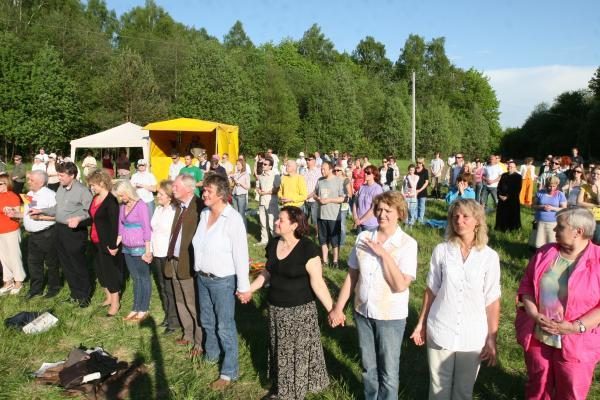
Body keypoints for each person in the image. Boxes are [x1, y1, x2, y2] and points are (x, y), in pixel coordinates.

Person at [329, 191, 418, 400]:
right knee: (369, 368)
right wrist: (338, 308)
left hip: (390, 316)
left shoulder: (407, 243)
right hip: (363, 311)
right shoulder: (363, 237)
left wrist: (383, 254)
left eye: (388, 210)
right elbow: (352, 276)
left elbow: (400, 285)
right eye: (378, 209)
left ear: (400, 214)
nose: (381, 214)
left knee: (388, 371)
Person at [238, 206, 332, 399]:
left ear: (294, 225)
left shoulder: (307, 249)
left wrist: (333, 310)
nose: (276, 222)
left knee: (295, 354)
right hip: (276, 310)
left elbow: (318, 283)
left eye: (281, 220)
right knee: (280, 351)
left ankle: (290, 393)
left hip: (299, 312)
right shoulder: (273, 244)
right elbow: (267, 272)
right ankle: (282, 386)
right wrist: (250, 289)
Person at [411, 199, 501, 399]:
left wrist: (492, 338)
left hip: (473, 334)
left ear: (477, 221)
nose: (459, 220)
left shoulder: (489, 257)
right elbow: (431, 290)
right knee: (437, 390)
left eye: (465, 216)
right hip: (441, 327)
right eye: (455, 216)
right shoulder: (441, 251)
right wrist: (421, 323)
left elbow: (492, 299)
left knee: (463, 391)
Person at [515, 207, 600, 399]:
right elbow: (526, 284)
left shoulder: (598, 259)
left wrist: (574, 327)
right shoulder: (546, 252)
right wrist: (535, 315)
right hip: (539, 335)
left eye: (560, 227)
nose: (554, 231)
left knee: (571, 390)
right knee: (538, 386)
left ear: (578, 231)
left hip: (578, 341)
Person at [192, 173, 250, 390]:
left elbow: (241, 255)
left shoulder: (233, 219)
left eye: (208, 191)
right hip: (203, 278)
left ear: (221, 195)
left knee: (225, 325)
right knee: (207, 321)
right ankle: (212, 355)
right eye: (203, 189)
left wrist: (243, 287)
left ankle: (229, 371)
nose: (203, 193)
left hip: (223, 281)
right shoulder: (204, 213)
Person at [31, 161, 93, 307]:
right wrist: (42, 211)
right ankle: (75, 294)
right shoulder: (61, 188)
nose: (59, 178)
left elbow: (90, 212)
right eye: (58, 175)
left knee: (77, 264)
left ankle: (84, 295)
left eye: (62, 175)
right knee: (66, 264)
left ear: (72, 175)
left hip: (74, 232)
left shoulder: (83, 191)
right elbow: (58, 209)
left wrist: (78, 219)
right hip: (59, 230)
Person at [165, 175, 204, 354]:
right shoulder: (181, 207)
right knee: (179, 300)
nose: (173, 189)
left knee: (192, 303)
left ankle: (199, 341)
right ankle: (187, 334)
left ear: (189, 189)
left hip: (187, 262)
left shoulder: (198, 208)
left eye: (176, 186)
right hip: (174, 259)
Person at [113, 180, 152, 322]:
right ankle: (135, 307)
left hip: (140, 247)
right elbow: (121, 226)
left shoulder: (141, 205)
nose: (121, 198)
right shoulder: (122, 206)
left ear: (128, 192)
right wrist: (115, 245)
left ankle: (144, 308)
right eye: (119, 196)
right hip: (126, 248)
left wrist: (148, 251)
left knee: (143, 278)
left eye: (122, 195)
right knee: (135, 278)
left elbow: (147, 228)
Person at [88, 170, 122, 317]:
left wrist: (113, 245)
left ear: (102, 183)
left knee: (110, 271)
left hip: (107, 242)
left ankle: (115, 302)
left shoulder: (111, 201)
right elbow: (92, 218)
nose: (92, 188)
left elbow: (115, 225)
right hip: (94, 239)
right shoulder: (95, 198)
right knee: (99, 269)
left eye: (93, 185)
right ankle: (108, 296)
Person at [21, 171, 60, 299]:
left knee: (51, 263)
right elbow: (28, 212)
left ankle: (53, 288)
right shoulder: (29, 194)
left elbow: (58, 215)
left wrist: (41, 217)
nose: (28, 182)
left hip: (47, 234)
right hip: (32, 235)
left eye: (31, 180)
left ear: (41, 182)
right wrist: (15, 214)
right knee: (33, 262)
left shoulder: (51, 195)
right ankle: (35, 289)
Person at [150, 180, 181, 335]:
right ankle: (168, 316)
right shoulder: (158, 209)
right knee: (162, 286)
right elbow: (153, 230)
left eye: (161, 194)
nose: (158, 196)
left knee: (170, 288)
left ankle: (174, 320)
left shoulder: (174, 211)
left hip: (167, 254)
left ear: (169, 196)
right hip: (157, 252)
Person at [315, 161, 345, 268]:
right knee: (323, 239)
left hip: (333, 215)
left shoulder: (338, 181)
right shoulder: (320, 181)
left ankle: (335, 261)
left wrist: (329, 200)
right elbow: (315, 194)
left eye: (324, 169)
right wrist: (318, 199)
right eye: (321, 169)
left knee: (334, 240)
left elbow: (342, 198)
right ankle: (325, 260)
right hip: (321, 215)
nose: (322, 171)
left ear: (331, 169)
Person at [0, 173, 26, 295]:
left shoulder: (13, 196)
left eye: (0, 183)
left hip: (11, 230)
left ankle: (19, 281)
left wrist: (11, 210)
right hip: (0, 231)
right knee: (3, 258)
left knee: (14, 256)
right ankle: (7, 280)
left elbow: (18, 214)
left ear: (7, 184)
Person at [533, 176, 567, 248]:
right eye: (549, 186)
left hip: (553, 222)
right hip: (540, 221)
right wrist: (542, 207)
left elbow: (564, 208)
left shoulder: (560, 194)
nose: (551, 188)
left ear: (557, 185)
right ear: (546, 185)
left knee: (551, 241)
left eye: (554, 186)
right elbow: (533, 206)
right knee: (539, 242)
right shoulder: (540, 193)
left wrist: (553, 208)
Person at [256, 157, 280, 246]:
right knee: (262, 222)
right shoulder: (261, 175)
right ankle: (264, 240)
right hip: (261, 201)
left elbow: (277, 188)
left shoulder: (275, 175)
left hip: (271, 201)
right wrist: (259, 191)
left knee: (272, 222)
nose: (263, 165)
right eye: (263, 164)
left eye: (265, 164)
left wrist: (266, 192)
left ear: (270, 167)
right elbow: (257, 186)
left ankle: (275, 241)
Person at [353, 165, 383, 233]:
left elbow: (373, 208)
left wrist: (360, 220)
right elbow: (355, 203)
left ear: (374, 175)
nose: (365, 174)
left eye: (368, 173)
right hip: (359, 223)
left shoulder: (377, 189)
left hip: (371, 225)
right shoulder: (362, 187)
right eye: (365, 172)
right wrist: (355, 218)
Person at [496, 160, 523, 232]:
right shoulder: (504, 175)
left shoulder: (518, 177)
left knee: (512, 215)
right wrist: (500, 195)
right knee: (502, 215)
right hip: (502, 199)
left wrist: (507, 196)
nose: (509, 168)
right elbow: (499, 186)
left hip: (512, 199)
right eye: (508, 166)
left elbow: (517, 189)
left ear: (515, 168)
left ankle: (512, 229)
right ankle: (502, 228)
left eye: (511, 167)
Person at [577, 166, 600, 244]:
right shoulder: (584, 187)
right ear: (590, 174)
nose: (595, 176)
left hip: (598, 220)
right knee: (585, 240)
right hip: (587, 218)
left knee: (597, 240)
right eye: (593, 173)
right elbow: (579, 202)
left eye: (598, 174)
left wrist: (598, 187)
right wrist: (595, 205)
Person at [303, 153, 322, 227]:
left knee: (315, 219)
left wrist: (311, 195)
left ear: (314, 161)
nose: (307, 161)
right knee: (304, 217)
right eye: (306, 160)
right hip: (305, 198)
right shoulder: (304, 171)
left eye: (309, 160)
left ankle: (318, 234)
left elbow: (319, 186)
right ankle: (303, 232)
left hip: (314, 199)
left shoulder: (318, 172)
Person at [335, 166, 353, 246]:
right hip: (334, 204)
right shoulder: (334, 179)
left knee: (342, 224)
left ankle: (341, 242)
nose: (336, 172)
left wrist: (343, 196)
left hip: (343, 205)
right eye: (334, 170)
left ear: (342, 171)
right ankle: (334, 240)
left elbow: (350, 194)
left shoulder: (346, 180)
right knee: (334, 223)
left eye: (338, 170)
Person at [231, 159, 250, 227]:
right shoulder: (236, 173)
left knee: (241, 214)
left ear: (243, 165)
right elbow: (234, 183)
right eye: (236, 164)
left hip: (241, 195)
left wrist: (240, 183)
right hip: (234, 195)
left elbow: (248, 187)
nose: (237, 166)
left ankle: (244, 230)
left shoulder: (246, 174)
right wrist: (232, 179)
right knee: (235, 214)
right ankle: (237, 229)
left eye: (239, 164)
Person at [415, 157, 430, 224]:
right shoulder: (414, 170)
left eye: (420, 163)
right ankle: (415, 218)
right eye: (417, 162)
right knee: (415, 206)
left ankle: (420, 219)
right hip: (414, 191)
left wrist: (419, 190)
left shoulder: (425, 171)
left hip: (422, 191)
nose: (418, 164)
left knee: (421, 206)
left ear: (423, 163)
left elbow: (426, 182)